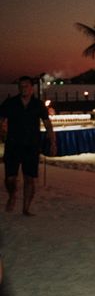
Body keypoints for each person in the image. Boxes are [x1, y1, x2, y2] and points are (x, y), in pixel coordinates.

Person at [0, 76, 56, 215]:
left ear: (32, 88)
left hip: (31, 146)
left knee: (29, 178)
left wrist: (53, 142)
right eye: (20, 86)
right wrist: (2, 131)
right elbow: (1, 120)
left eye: (25, 86)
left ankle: (26, 209)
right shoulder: (10, 103)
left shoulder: (38, 104)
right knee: (10, 178)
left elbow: (47, 123)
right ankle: (12, 195)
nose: (22, 88)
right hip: (13, 145)